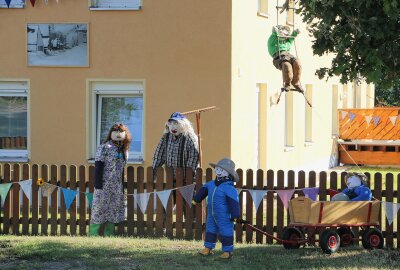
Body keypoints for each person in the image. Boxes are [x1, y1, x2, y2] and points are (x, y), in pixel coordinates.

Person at [193, 158, 240, 259]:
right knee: (210, 229)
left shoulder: (229, 188)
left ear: (228, 174)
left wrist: (235, 215)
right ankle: (208, 248)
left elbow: (234, 202)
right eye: (217, 169)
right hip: (211, 214)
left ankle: (227, 251)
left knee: (226, 231)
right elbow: (203, 191)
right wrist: (196, 199)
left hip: (225, 216)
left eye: (222, 170)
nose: (219, 172)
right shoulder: (210, 184)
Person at [89, 123, 131, 236]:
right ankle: (93, 234)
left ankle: (109, 233)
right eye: (115, 131)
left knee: (113, 209)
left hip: (116, 185)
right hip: (103, 184)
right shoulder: (104, 147)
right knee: (99, 208)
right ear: (111, 133)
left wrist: (122, 186)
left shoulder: (124, 150)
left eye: (120, 131)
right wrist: (98, 184)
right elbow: (98, 165)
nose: (118, 134)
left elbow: (122, 168)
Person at [152, 112, 199, 181]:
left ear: (183, 124)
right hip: (170, 178)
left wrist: (188, 176)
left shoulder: (190, 139)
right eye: (170, 124)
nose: (172, 127)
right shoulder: (166, 137)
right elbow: (159, 155)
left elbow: (193, 157)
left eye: (176, 123)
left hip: (187, 180)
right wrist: (153, 172)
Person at [268, 25, 304, 92]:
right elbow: (274, 34)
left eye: (286, 33)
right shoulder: (273, 39)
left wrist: (295, 32)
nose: (284, 35)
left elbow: (291, 38)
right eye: (283, 33)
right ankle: (287, 83)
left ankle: (296, 82)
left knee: (297, 64)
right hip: (278, 56)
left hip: (288, 55)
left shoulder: (287, 41)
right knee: (286, 66)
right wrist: (276, 31)